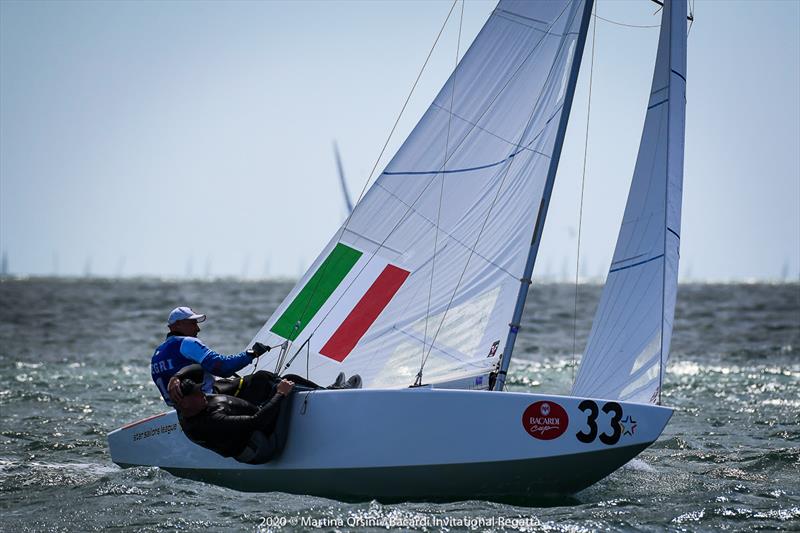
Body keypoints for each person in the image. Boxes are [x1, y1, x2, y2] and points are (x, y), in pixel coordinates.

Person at [167, 364, 295, 464]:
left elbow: (200, 367)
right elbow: (257, 422)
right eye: (196, 394)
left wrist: (176, 377)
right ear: (184, 403)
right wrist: (280, 394)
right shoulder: (211, 421)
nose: (202, 394)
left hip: (247, 425)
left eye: (200, 389)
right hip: (260, 447)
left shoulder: (185, 407)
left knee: (261, 378)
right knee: (289, 382)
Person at [150, 306, 269, 405]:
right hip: (208, 403)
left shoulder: (157, 354)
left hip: (184, 411)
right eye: (193, 323)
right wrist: (252, 353)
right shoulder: (186, 342)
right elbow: (222, 367)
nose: (198, 329)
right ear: (178, 325)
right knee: (263, 379)